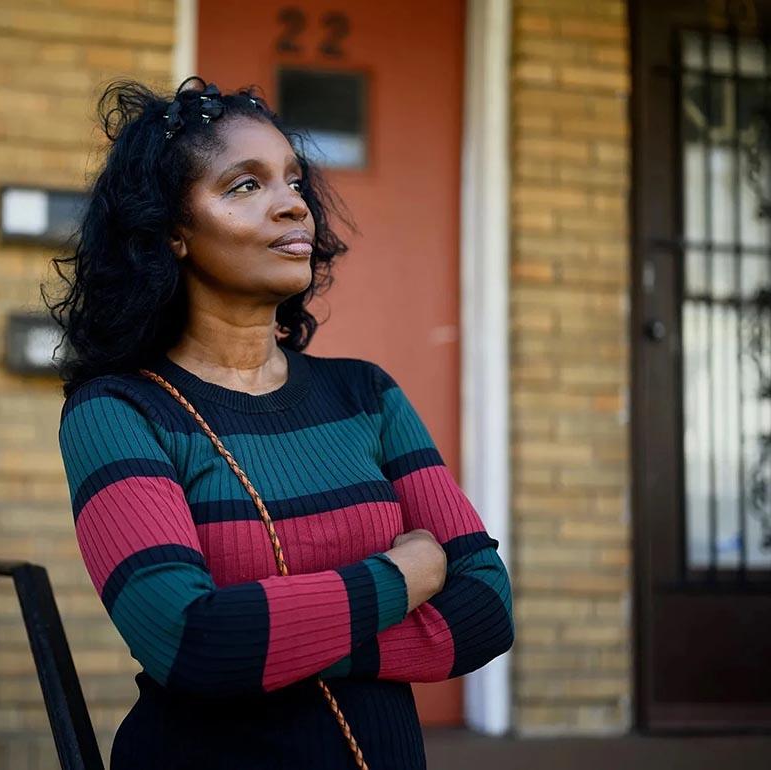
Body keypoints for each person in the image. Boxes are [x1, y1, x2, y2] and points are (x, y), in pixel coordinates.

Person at [47, 76, 514, 770]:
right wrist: (400, 577)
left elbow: (487, 606)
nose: (292, 203)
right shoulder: (118, 413)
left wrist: (275, 641)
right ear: (172, 231)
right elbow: (189, 640)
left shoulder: (366, 394)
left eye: (294, 181)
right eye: (245, 185)